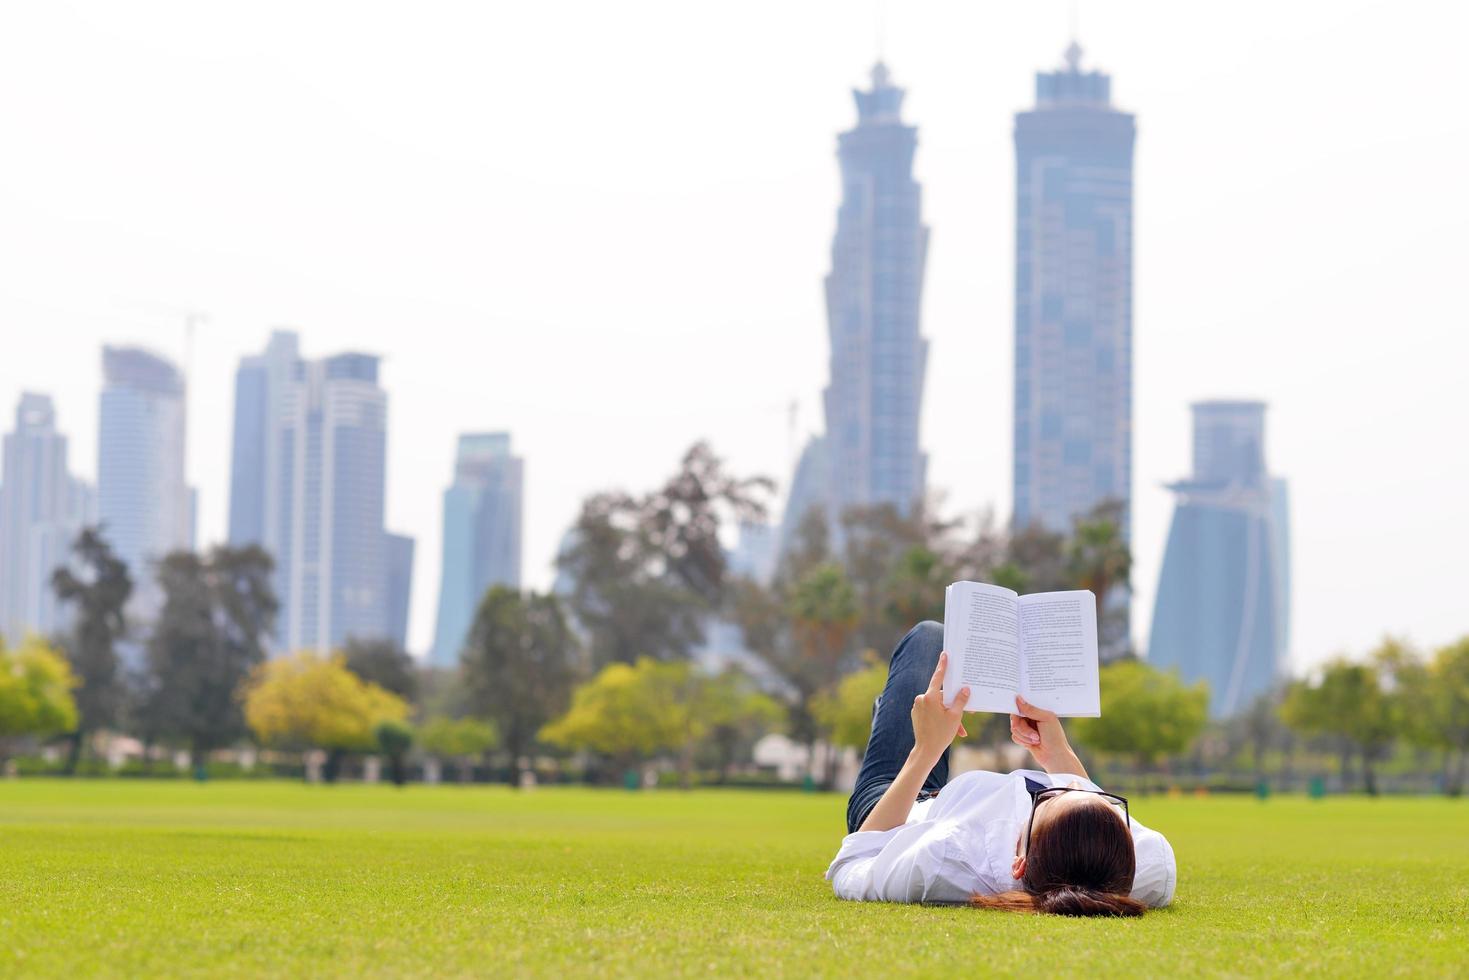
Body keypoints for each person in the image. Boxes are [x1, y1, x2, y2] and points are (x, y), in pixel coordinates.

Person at [826, 621, 1176, 915]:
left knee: (930, 636)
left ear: (1018, 862)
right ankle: (894, 714)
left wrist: (926, 748)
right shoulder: (1150, 867)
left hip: (904, 812)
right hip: (947, 802)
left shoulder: (940, 860)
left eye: (1045, 795)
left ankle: (891, 717)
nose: (1059, 784)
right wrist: (1057, 753)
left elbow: (853, 861)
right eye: (1099, 802)